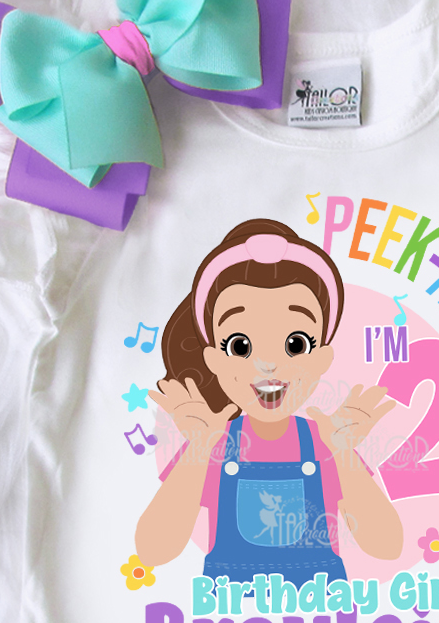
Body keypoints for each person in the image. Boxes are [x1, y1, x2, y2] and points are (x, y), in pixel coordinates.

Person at [134, 218, 403, 586]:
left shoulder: (327, 443)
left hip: (323, 613)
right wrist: (198, 450)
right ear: (214, 360)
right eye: (240, 346)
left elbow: (386, 545)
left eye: (295, 344)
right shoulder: (211, 444)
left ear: (322, 358)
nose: (268, 364)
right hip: (231, 616)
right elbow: (153, 551)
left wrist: (343, 454)